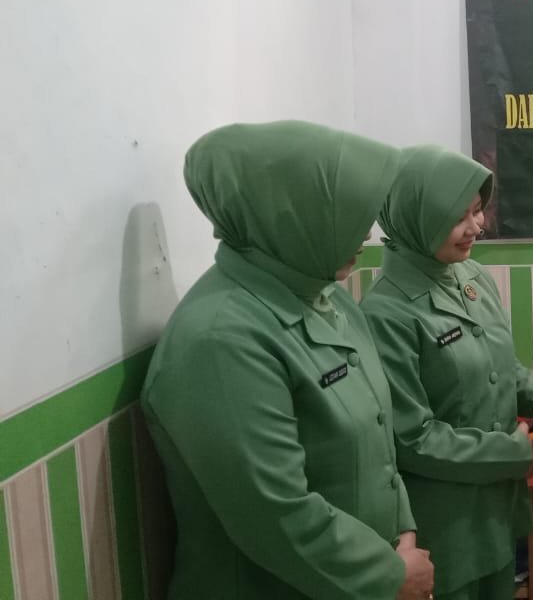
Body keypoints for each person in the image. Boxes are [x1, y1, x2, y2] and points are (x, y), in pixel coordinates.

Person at [141, 121, 434, 600]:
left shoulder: (329, 299)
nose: (368, 232)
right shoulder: (220, 339)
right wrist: (389, 574)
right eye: (347, 213)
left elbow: (380, 437)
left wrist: (402, 535)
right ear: (290, 215)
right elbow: (273, 512)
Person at [361, 145, 533, 600]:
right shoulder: (386, 312)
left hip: (496, 516)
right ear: (417, 217)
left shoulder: (471, 276)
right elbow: (411, 439)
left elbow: (503, 366)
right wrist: (511, 452)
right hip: (446, 530)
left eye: (478, 210)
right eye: (460, 217)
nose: (478, 226)